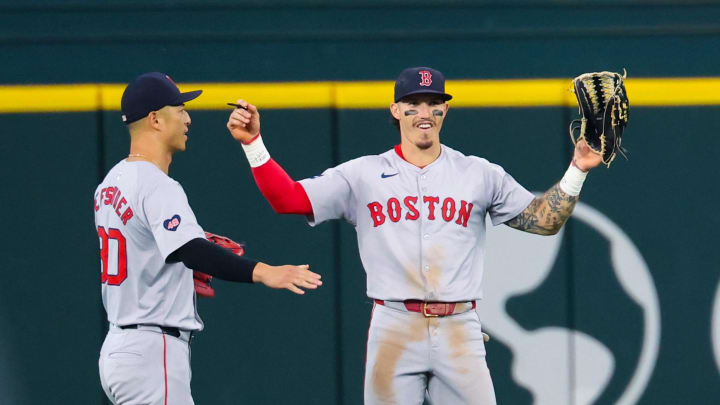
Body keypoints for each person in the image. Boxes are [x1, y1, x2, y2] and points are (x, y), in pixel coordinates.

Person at [226, 66, 602, 405]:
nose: (424, 112)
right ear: (396, 110)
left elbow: (543, 221)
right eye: (413, 103)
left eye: (434, 103)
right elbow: (287, 199)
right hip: (394, 324)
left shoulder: (478, 173)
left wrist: (577, 169)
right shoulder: (363, 175)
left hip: (460, 326)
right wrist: (253, 144)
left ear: (445, 111)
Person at [95, 72, 322, 405]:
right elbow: (191, 251)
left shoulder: (110, 183)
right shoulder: (157, 185)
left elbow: (153, 247)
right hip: (151, 351)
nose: (188, 117)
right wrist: (264, 271)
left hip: (120, 349)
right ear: (156, 119)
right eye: (180, 108)